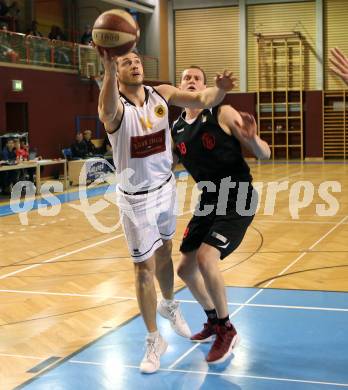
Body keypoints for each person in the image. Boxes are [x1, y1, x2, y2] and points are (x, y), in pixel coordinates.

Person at [97, 48, 236, 374]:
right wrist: (106, 69)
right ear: (117, 72)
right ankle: (153, 339)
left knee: (166, 252)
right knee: (142, 268)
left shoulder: (161, 93)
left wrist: (223, 89)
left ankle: (169, 304)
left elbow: (204, 99)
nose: (134, 64)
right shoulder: (116, 106)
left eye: (136, 60)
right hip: (135, 199)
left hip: (165, 190)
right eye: (125, 62)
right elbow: (105, 109)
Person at [172, 66, 271, 364]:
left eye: (197, 79)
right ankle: (213, 320)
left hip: (238, 195)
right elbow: (166, 165)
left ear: (205, 88)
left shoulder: (222, 112)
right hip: (209, 200)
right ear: (179, 87)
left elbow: (265, 153)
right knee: (185, 270)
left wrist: (252, 141)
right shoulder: (175, 128)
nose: (191, 81)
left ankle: (227, 329)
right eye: (186, 78)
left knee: (206, 258)